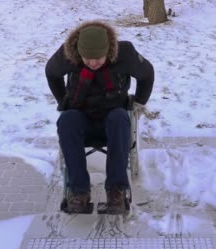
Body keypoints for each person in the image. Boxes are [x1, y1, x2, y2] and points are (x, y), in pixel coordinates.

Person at [45, 20, 154, 214]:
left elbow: (147, 74)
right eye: (87, 59)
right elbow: (51, 72)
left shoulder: (125, 52)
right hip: (81, 118)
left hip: (113, 120)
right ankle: (78, 192)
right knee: (66, 120)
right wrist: (63, 100)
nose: (92, 63)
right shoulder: (68, 54)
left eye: (98, 58)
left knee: (120, 118)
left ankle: (116, 191)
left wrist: (138, 102)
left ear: (109, 50)